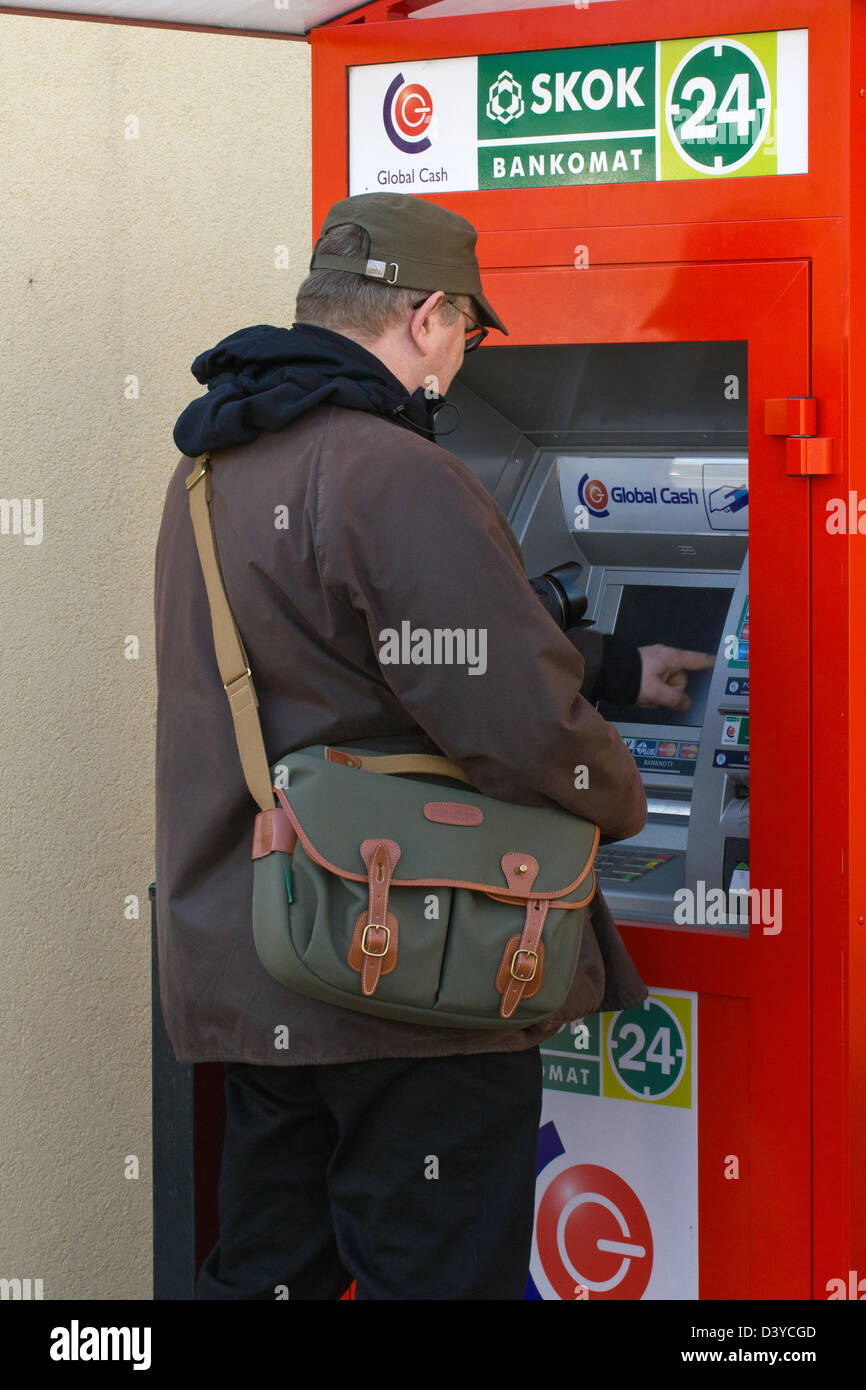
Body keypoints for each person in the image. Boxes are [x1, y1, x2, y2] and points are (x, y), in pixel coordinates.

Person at [154, 191, 709, 1301]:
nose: (460, 361)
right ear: (427, 316)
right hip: (412, 969)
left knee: (271, 1271)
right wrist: (625, 799)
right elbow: (517, 722)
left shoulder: (210, 472)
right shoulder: (393, 470)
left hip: (268, 952)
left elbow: (340, 667)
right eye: (467, 332)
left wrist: (610, 662)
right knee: (440, 1274)